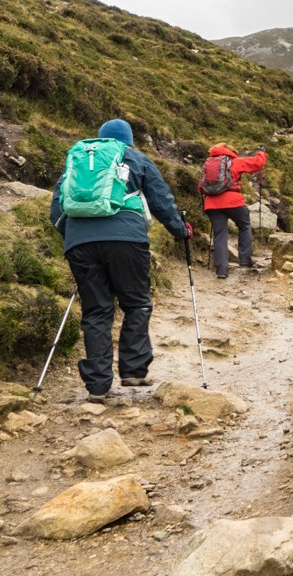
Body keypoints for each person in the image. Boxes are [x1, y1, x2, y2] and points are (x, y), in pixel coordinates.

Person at [50, 118, 190, 403]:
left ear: (99, 138)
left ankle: (98, 387)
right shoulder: (136, 158)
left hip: (80, 244)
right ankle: (133, 371)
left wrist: (75, 237)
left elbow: (57, 208)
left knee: (96, 312)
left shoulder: (79, 159)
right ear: (128, 139)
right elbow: (162, 200)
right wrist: (180, 230)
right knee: (136, 302)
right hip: (127, 239)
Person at [200, 143, 269, 279]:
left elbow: (200, 186)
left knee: (220, 234)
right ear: (230, 151)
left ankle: (221, 271)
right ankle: (244, 260)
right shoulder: (234, 161)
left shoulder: (208, 164)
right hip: (233, 201)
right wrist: (261, 152)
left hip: (212, 204)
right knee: (244, 225)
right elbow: (257, 163)